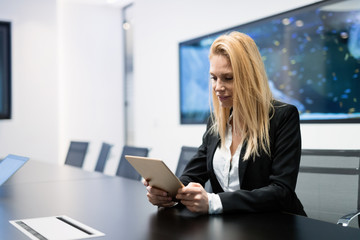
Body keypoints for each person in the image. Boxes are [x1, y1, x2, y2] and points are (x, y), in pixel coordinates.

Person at [144, 31, 306, 216]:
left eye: (228, 78)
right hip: (231, 226)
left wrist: (214, 201)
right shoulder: (216, 122)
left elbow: (281, 191)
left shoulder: (283, 117)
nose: (218, 87)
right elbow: (192, 175)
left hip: (275, 225)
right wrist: (169, 195)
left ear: (250, 77)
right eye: (214, 77)